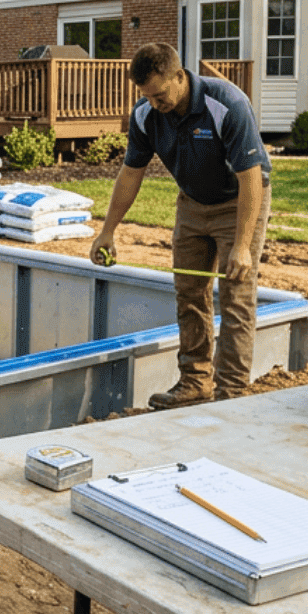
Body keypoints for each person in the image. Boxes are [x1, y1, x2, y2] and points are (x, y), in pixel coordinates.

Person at [90, 44, 271, 409]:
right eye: (147, 96)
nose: (155, 103)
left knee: (236, 296)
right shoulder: (146, 113)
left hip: (239, 202)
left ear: (179, 76)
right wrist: (108, 230)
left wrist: (241, 245)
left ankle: (231, 394)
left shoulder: (227, 104)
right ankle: (195, 382)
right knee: (189, 293)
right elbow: (130, 174)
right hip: (191, 203)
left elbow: (251, 178)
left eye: (160, 94)